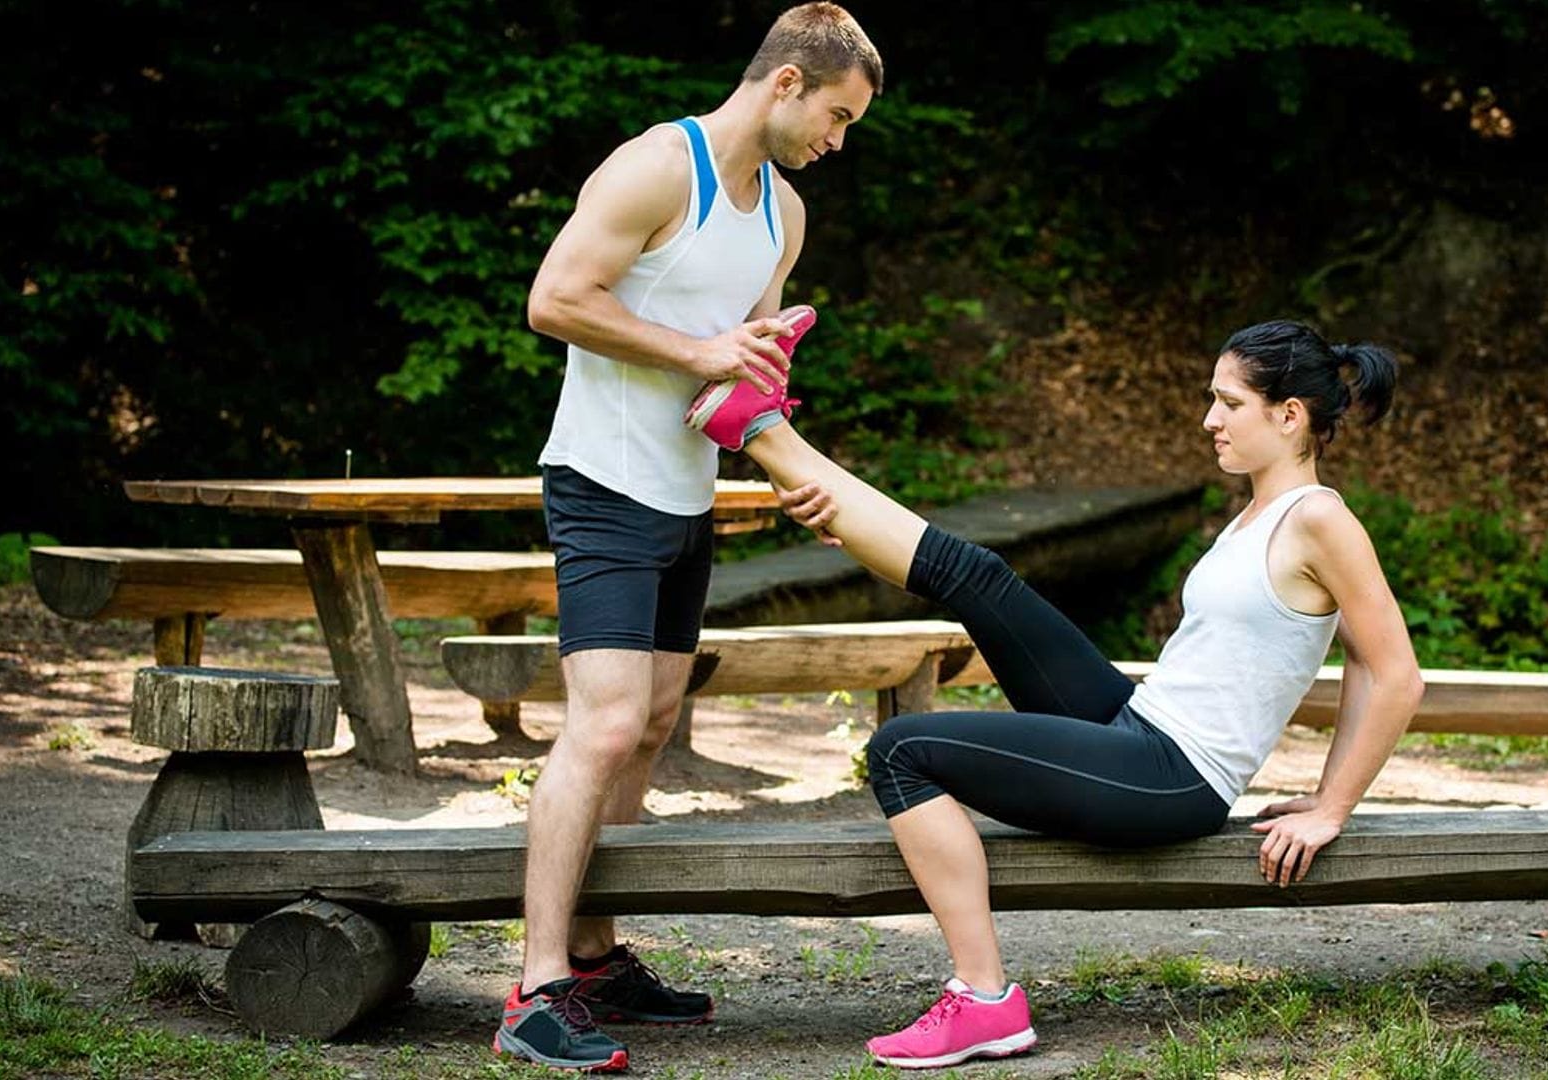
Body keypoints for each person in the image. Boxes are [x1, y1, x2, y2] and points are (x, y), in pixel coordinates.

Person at [710, 316, 1426, 1070]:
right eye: (1211, 399)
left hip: (1173, 776)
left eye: (1229, 403)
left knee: (902, 751)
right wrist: (855, 529)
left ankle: (984, 1001)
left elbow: (1390, 671)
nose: (1208, 419)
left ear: (1290, 416)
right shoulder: (1257, 513)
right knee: (980, 576)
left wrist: (1331, 806)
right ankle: (759, 426)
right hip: (1138, 724)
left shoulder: (1320, 519)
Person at [503, 5, 882, 1072]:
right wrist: (705, 349)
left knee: (659, 716)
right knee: (608, 722)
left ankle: (594, 956)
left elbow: (740, 375)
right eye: (837, 116)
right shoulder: (657, 167)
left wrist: (794, 471)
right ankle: (532, 989)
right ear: (787, 82)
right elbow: (554, 299)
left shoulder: (786, 217)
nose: (838, 142)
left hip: (689, 494)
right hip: (600, 481)